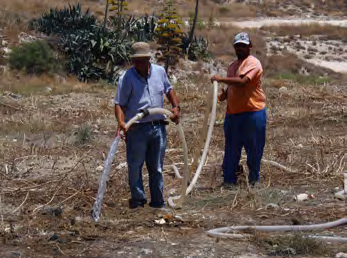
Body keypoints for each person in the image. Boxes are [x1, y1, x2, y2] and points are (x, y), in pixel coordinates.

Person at [114, 42, 180, 209]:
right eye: (136, 61)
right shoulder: (127, 78)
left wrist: (175, 107)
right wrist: (122, 123)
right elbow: (119, 103)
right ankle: (138, 201)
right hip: (136, 128)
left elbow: (169, 89)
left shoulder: (159, 72)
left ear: (148, 59)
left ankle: (158, 201)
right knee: (135, 166)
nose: (140, 64)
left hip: (158, 127)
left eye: (143, 60)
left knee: (156, 167)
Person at [211, 32, 266, 188]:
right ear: (235, 47)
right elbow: (233, 86)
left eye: (243, 45)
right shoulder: (232, 66)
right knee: (231, 148)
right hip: (233, 114)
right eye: (238, 46)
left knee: (254, 148)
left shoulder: (253, 63)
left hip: (253, 113)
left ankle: (254, 180)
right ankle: (229, 181)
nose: (240, 48)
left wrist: (220, 79)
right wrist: (224, 95)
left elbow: (242, 82)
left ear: (249, 47)